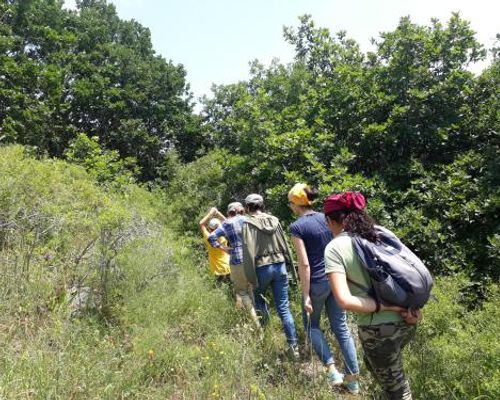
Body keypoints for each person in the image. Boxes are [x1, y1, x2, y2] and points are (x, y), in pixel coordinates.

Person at [323, 192, 422, 400]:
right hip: (407, 321)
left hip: (377, 330)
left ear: (329, 220)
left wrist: (387, 307)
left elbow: (344, 300)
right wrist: (407, 308)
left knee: (398, 391)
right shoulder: (378, 235)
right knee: (380, 371)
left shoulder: (334, 248)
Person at [288, 183, 360, 393]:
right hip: (336, 279)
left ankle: (332, 370)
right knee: (342, 328)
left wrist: (306, 295)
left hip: (317, 283)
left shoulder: (297, 227)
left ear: (296, 204)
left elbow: (304, 264)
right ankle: (353, 381)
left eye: (290, 203)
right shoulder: (326, 217)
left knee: (312, 327)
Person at [242, 193, 299, 358]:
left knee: (259, 302)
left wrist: (249, 276)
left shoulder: (247, 223)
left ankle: (267, 340)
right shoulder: (274, 220)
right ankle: (293, 346)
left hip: (261, 268)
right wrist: (290, 264)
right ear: (262, 205)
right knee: (284, 307)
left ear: (247, 207)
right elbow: (284, 244)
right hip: (280, 265)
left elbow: (248, 251)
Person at [208, 202, 260, 328]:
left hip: (237, 261)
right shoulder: (248, 219)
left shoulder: (227, 223)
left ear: (230, 212)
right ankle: (259, 315)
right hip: (252, 260)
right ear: (242, 210)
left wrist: (224, 248)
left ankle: (257, 324)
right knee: (251, 288)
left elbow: (211, 238)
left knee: (242, 292)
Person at [199, 207, 231, 284]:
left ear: (210, 229)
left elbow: (201, 224)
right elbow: (228, 223)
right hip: (229, 263)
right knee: (231, 285)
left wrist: (210, 213)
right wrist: (218, 213)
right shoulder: (223, 235)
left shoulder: (208, 237)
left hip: (218, 268)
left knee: (219, 285)